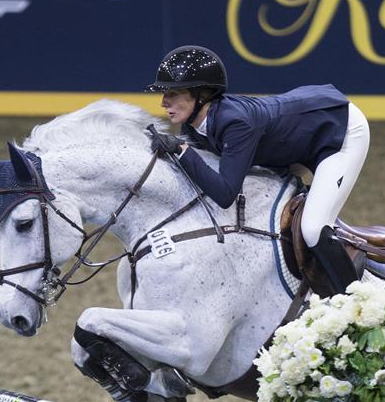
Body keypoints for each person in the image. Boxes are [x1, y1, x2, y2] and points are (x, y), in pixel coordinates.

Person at [145, 45, 370, 294]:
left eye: (173, 93)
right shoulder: (193, 125)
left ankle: (352, 300)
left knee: (313, 227)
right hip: (294, 136)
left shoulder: (235, 122)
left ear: (201, 95)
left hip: (339, 131)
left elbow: (225, 194)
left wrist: (182, 151)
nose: (164, 101)